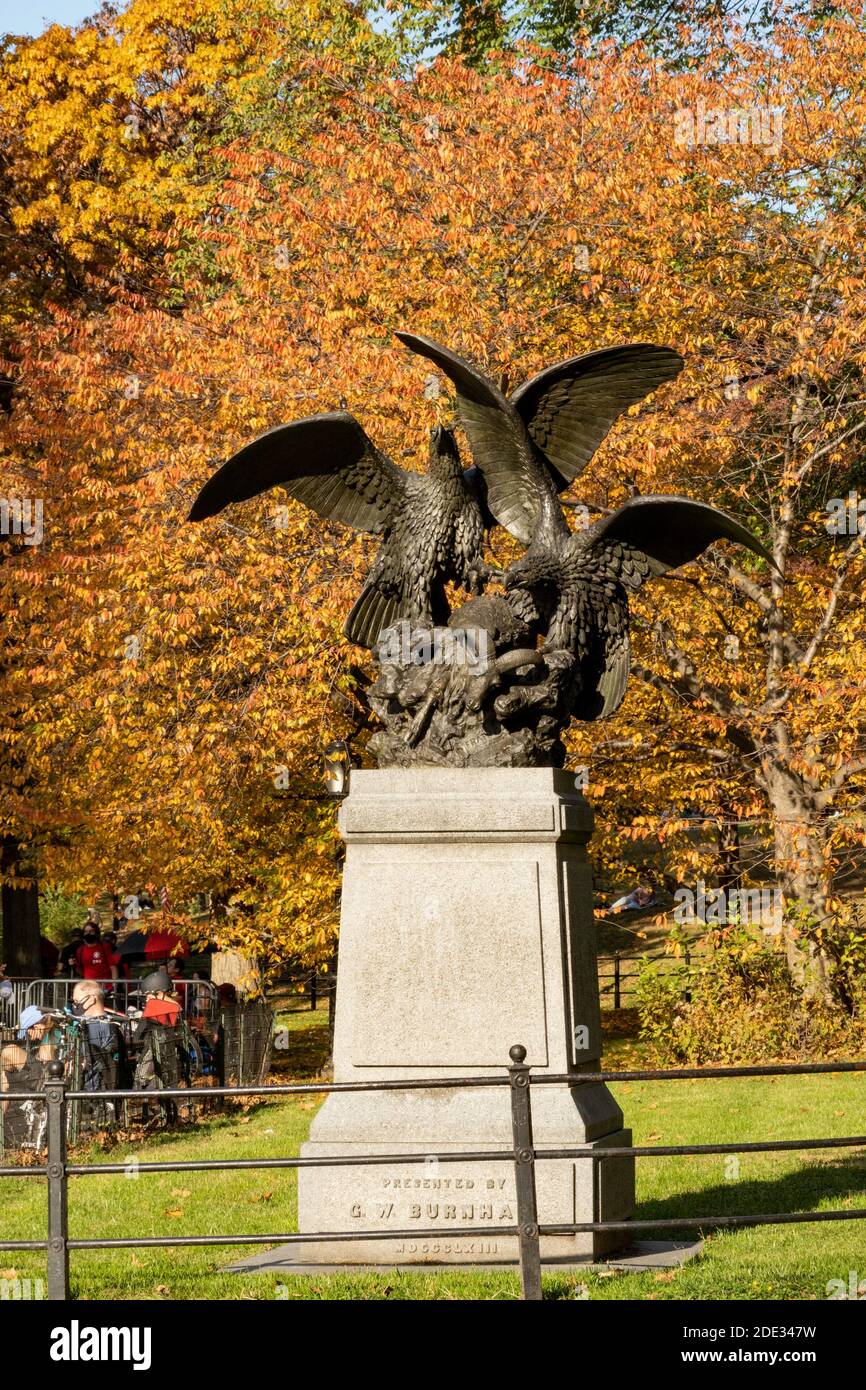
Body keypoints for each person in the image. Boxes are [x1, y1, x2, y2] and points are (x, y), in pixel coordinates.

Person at [132, 969, 189, 1121]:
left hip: (154, 1061)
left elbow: (138, 1036)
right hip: (173, 1059)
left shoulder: (155, 1007)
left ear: (159, 993)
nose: (146, 999)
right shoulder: (177, 1006)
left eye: (147, 995)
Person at [0, 1005, 56, 1148]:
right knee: (4, 1078)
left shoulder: (51, 1034)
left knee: (9, 1051)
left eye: (29, 1031)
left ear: (38, 1026)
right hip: (42, 1076)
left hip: (46, 1079)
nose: (29, 1036)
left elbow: (47, 1063)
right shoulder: (51, 1034)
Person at [70, 982, 126, 1118]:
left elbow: (87, 1061)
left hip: (89, 1091)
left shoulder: (94, 1026)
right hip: (100, 1087)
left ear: (91, 999)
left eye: (77, 1001)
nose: (74, 1005)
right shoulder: (110, 1022)